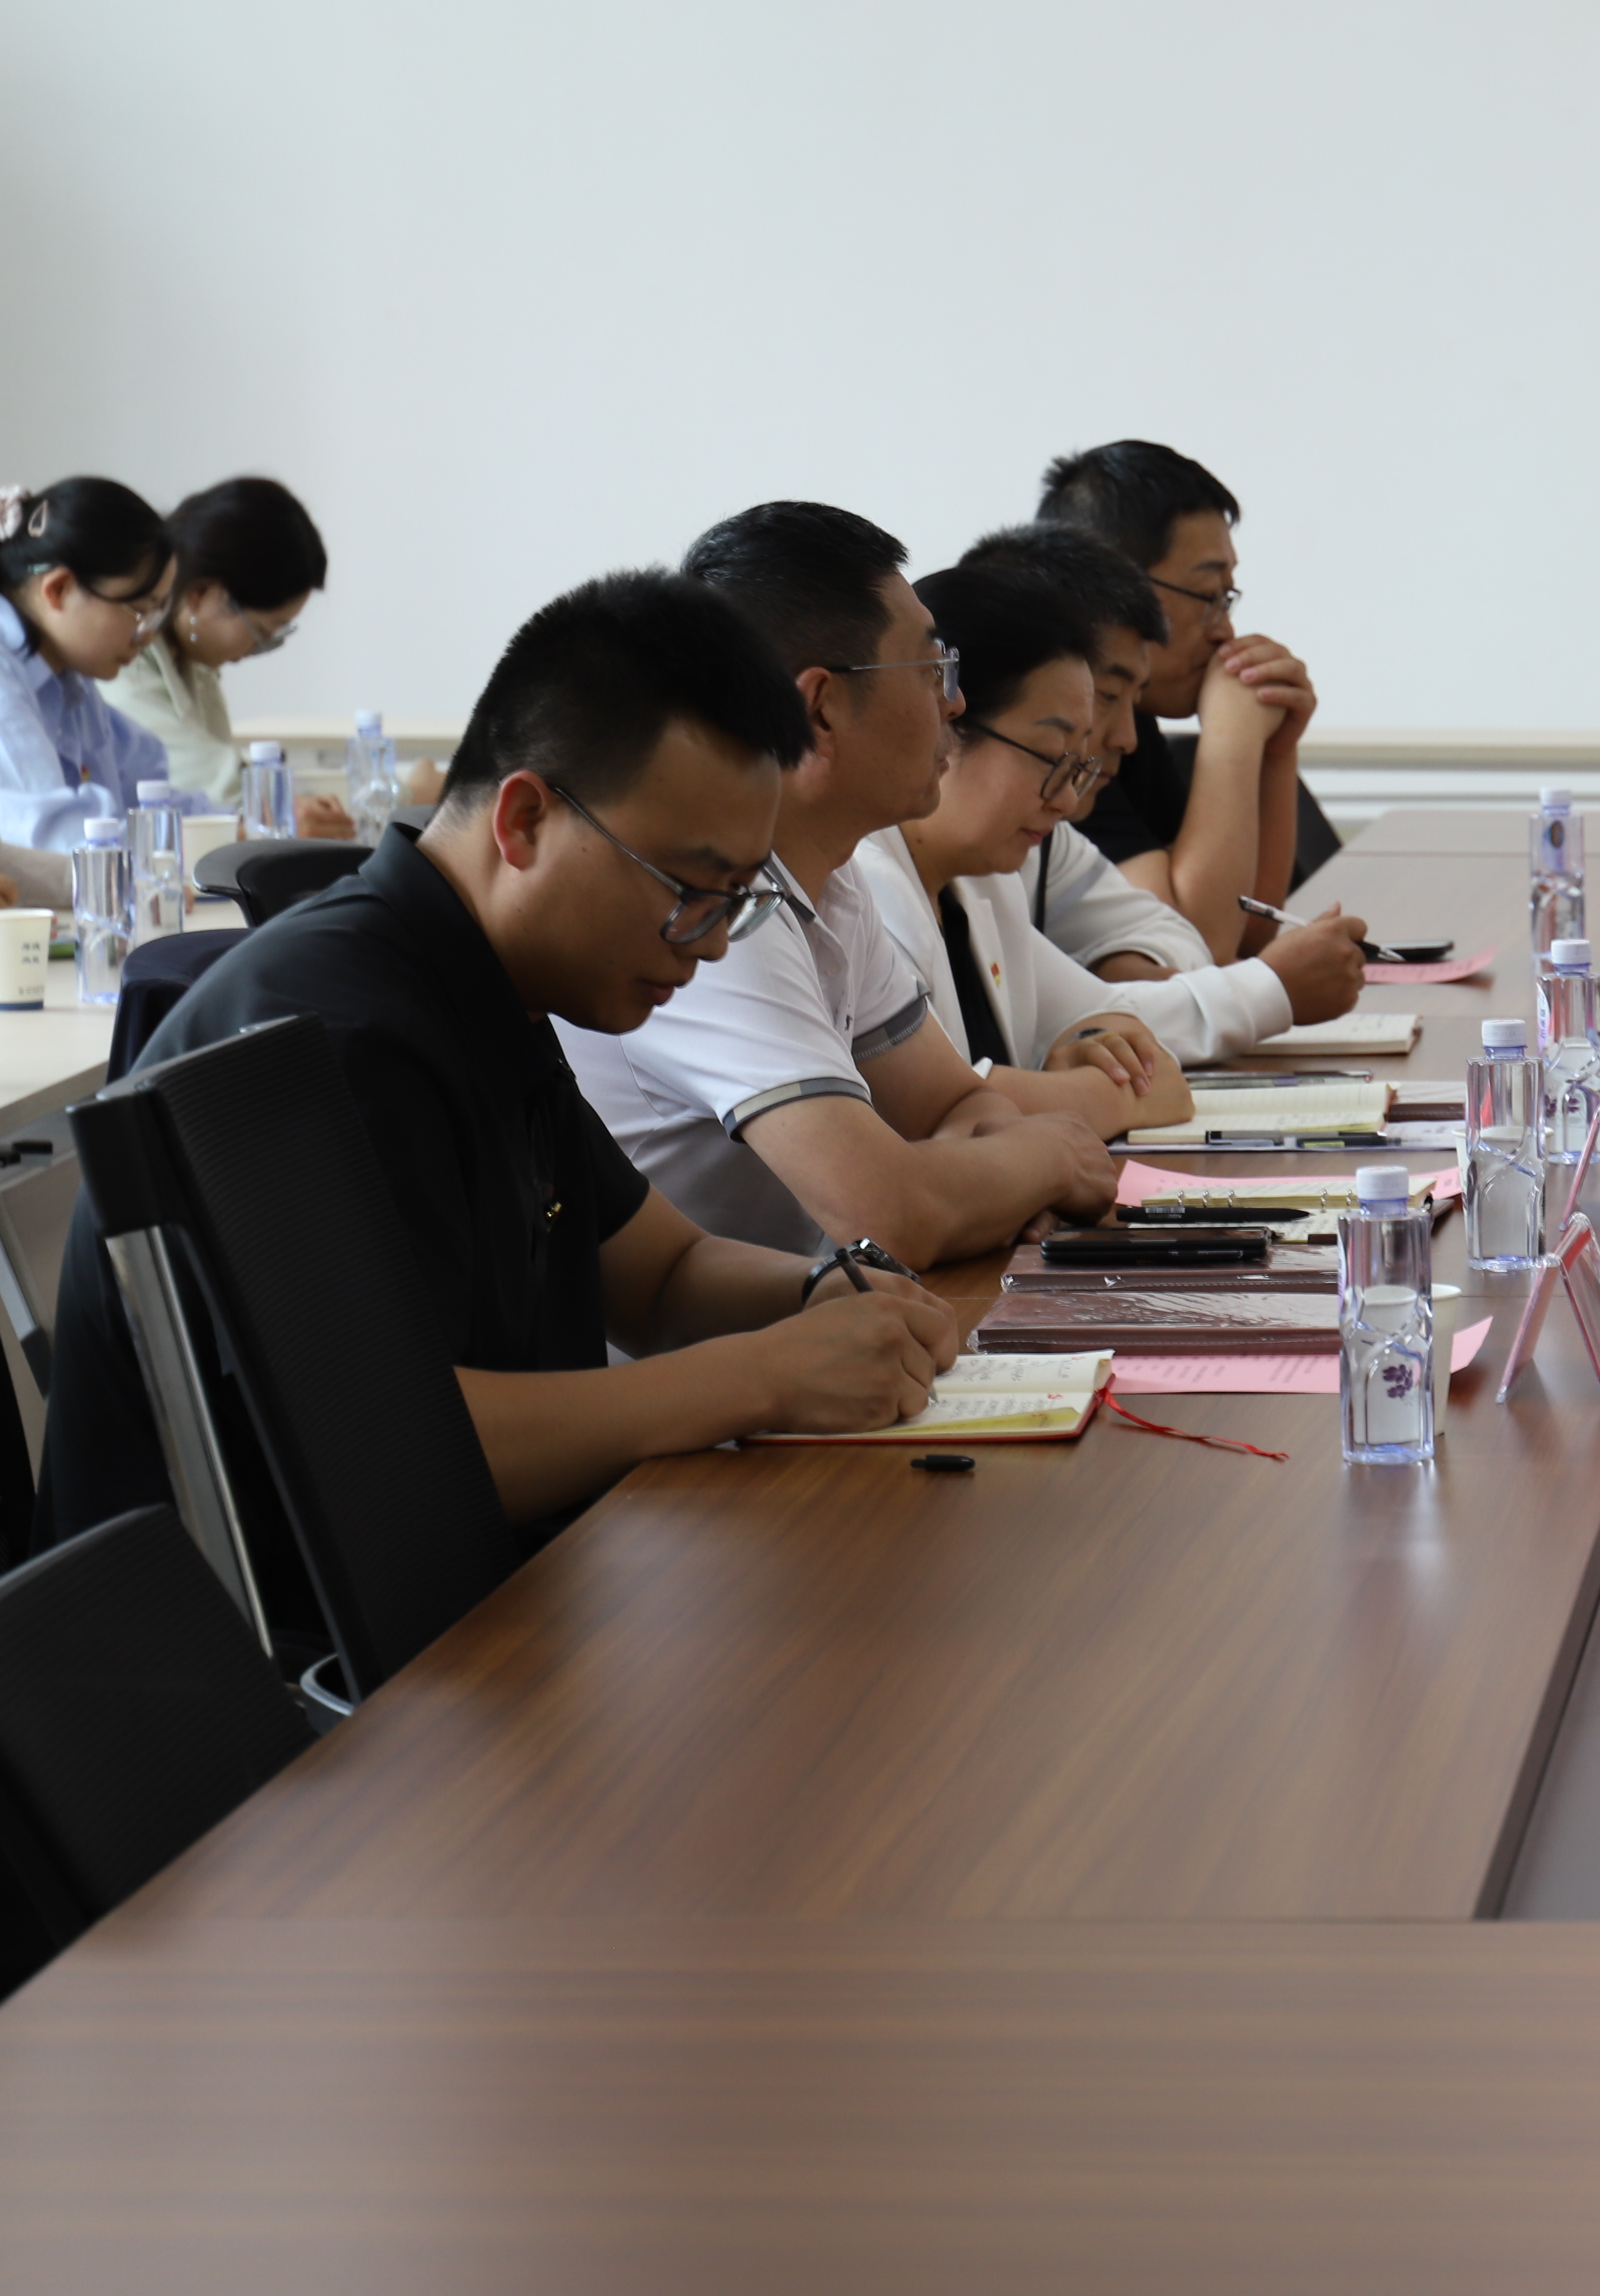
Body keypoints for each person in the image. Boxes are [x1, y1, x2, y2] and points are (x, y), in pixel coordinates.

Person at [31, 569, 962, 1565]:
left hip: (502, 1588)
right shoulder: (338, 1028)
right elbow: (393, 1457)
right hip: (293, 1647)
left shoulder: (494, 982)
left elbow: (663, 1275)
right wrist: (766, 1377)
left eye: (738, 897)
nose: (713, 942)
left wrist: (827, 1297)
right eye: (690, 888)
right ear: (524, 821)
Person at [559, 503, 1122, 1266]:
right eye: (931, 670)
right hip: (710, 1335)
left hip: (813, 1319)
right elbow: (886, 1212)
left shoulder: (833, 878)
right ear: (819, 709)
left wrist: (987, 1181)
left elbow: (954, 1104)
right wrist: (1049, 1159)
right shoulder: (713, 907)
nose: (954, 702)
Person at [855, 551, 1342, 1071]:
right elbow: (941, 1101)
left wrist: (1105, 1023)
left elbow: (1109, 1017)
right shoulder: (864, 890)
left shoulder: (987, 882)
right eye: (1052, 756)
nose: (1068, 800)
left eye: (1076, 764)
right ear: (944, 721)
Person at [953, 521, 1364, 1014]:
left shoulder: (1050, 834)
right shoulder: (900, 869)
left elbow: (1199, 938)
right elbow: (1207, 941)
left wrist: (1125, 962)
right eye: (1208, 595)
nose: (1124, 737)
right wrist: (1232, 737)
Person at [1041, 440, 1336, 962]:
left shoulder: (1133, 721)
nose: (1225, 631)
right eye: (1208, 596)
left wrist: (1276, 749)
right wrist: (1233, 733)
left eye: (1228, 597)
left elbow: (1249, 926)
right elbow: (1198, 946)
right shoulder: (1060, 735)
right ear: (1118, 583)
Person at [107, 476, 353, 829]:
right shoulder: (122, 662)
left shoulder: (194, 665)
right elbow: (207, 780)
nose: (256, 650)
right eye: (261, 633)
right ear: (202, 594)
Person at [0, 477, 212, 853]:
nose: (147, 636)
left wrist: (233, 829)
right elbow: (56, 833)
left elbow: (143, 792)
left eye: (156, 616)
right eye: (140, 612)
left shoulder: (70, 678)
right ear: (59, 590)